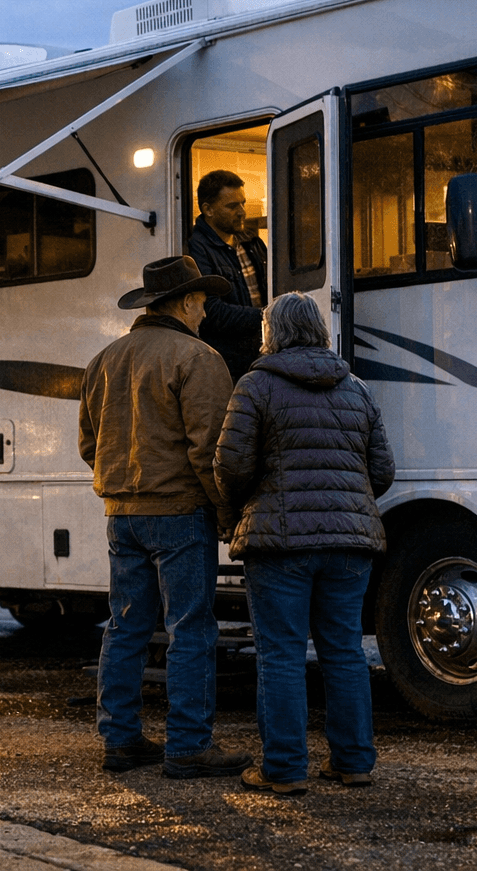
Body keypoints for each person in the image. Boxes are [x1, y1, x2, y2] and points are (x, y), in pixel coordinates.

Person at [79, 255, 253, 780]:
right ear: (183, 302)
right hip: (179, 512)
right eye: (202, 303)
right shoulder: (198, 358)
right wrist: (227, 514)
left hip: (121, 514)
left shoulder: (103, 360)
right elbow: (210, 452)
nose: (205, 313)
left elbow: (91, 445)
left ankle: (120, 739)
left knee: (125, 628)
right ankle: (188, 745)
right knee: (191, 629)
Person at [214, 292, 395, 795]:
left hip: (279, 544)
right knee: (343, 651)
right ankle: (354, 761)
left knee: (282, 655)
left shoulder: (256, 386)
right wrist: (345, 502)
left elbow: (229, 465)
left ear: (271, 333)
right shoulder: (356, 388)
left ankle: (284, 770)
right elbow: (382, 470)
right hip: (349, 544)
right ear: (319, 329)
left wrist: (243, 508)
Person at [188, 169, 269, 381]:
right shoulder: (195, 249)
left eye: (242, 203)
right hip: (226, 365)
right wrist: (267, 316)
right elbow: (210, 311)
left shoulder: (252, 243)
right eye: (232, 206)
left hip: (262, 356)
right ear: (208, 209)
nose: (242, 211)